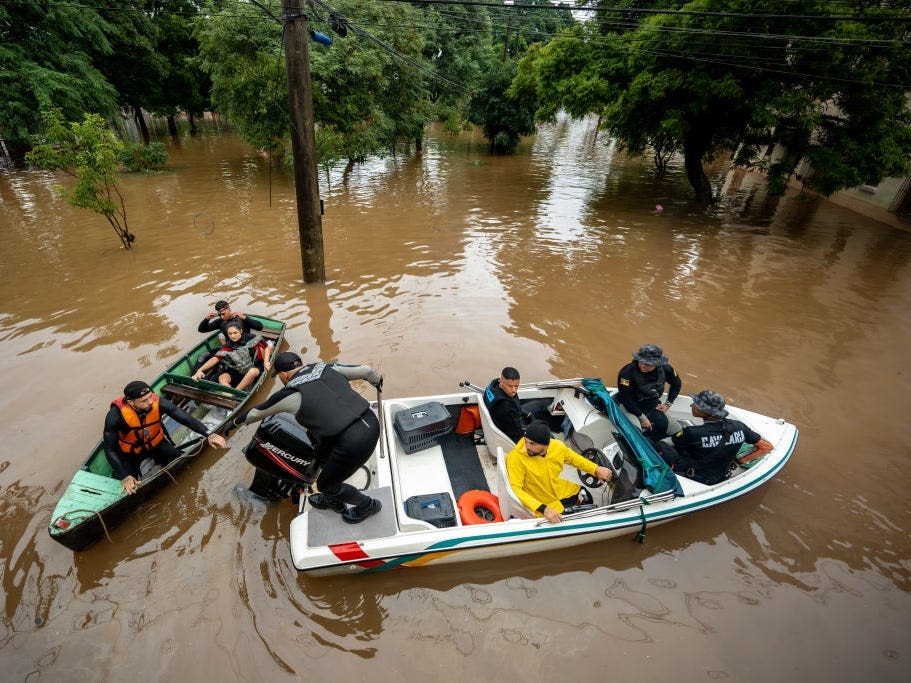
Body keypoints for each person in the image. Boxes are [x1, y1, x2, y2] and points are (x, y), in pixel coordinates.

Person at [227, 351, 384, 524]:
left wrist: (231, 424)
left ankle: (368, 505)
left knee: (326, 485)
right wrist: (377, 381)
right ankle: (334, 499)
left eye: (279, 376)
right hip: (370, 421)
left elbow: (255, 413)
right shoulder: (326, 367)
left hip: (353, 442)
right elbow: (367, 371)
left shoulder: (289, 393)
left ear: (284, 374)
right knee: (319, 449)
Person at [103, 381, 227, 495]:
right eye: (144, 401)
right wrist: (125, 477)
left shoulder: (157, 402)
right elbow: (110, 449)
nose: (150, 402)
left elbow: (185, 418)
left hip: (156, 443)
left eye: (150, 397)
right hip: (130, 453)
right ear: (131, 402)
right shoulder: (115, 416)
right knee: (129, 487)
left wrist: (210, 434)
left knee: (183, 462)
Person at [656, 390, 773, 485]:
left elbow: (664, 443)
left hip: (694, 477)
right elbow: (766, 447)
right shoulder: (739, 427)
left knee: (656, 445)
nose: (691, 405)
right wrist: (738, 461)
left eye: (696, 405)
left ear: (708, 412)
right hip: (721, 475)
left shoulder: (692, 433)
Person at [505, 421, 613, 524]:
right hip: (541, 501)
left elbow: (574, 459)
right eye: (526, 441)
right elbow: (515, 489)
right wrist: (543, 509)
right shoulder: (516, 458)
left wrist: (595, 469)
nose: (527, 446)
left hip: (560, 490)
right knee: (565, 519)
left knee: (586, 496)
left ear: (546, 445)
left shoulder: (557, 447)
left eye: (532, 443)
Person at [617, 344, 682, 438]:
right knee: (637, 435)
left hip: (651, 405)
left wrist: (668, 404)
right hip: (629, 406)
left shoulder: (666, 369)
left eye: (648, 364)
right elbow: (626, 398)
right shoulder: (627, 372)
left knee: (677, 432)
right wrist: (642, 418)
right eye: (641, 362)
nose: (642, 366)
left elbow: (676, 384)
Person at [484, 367, 559, 443]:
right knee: (549, 437)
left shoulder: (493, 385)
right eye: (510, 386)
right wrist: (533, 426)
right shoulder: (505, 407)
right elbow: (516, 433)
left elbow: (515, 409)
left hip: (507, 417)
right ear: (502, 382)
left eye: (516, 386)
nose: (514, 390)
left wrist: (528, 415)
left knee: (539, 405)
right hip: (511, 429)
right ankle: (555, 428)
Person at [191, 321, 273, 390]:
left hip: (256, 367)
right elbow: (215, 359)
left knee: (252, 372)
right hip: (240, 370)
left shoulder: (251, 338)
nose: (233, 336)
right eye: (230, 334)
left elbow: (266, 347)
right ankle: (230, 394)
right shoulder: (228, 346)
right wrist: (200, 370)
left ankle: (237, 391)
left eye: (235, 333)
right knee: (222, 377)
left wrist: (266, 362)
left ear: (240, 331)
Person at [197, 300, 264, 337]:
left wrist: (245, 318)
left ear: (229, 309)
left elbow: (260, 327)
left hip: (245, 345)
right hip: (230, 347)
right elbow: (202, 330)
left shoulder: (241, 318)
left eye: (223, 314)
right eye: (220, 315)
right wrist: (206, 319)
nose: (222, 317)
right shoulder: (220, 321)